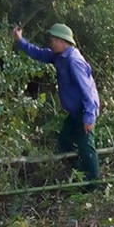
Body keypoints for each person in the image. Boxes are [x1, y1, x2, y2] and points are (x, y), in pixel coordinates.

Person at [12, 23, 101, 188]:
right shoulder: (59, 56)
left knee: (86, 147)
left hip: (83, 111)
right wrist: (20, 41)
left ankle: (93, 185)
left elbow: (88, 91)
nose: (50, 43)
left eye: (53, 40)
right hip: (75, 111)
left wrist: (89, 116)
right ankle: (79, 172)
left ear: (63, 41)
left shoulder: (74, 61)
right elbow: (39, 54)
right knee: (64, 141)